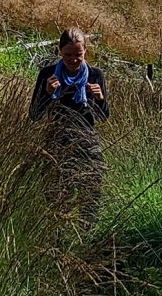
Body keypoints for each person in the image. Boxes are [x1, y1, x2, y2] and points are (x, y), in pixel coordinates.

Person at [29, 28, 108, 219]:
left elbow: (103, 116)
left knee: (92, 187)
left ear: (85, 52)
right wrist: (47, 93)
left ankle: (88, 230)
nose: (73, 59)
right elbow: (34, 114)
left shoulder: (95, 75)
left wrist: (99, 98)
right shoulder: (47, 74)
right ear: (59, 52)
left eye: (78, 55)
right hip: (56, 139)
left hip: (87, 141)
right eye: (68, 55)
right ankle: (59, 232)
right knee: (55, 190)